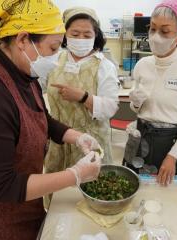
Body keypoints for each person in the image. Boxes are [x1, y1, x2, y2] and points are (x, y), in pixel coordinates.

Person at [0, 1, 102, 239]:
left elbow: (38, 116)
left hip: (20, 201)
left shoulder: (22, 71)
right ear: (23, 39)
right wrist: (74, 175)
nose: (56, 58)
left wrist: (74, 136)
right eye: (53, 48)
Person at [124, 0, 177, 186]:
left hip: (169, 143)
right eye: (152, 29)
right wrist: (135, 104)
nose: (155, 36)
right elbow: (137, 111)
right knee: (132, 186)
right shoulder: (142, 65)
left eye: (165, 31)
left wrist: (172, 157)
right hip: (140, 136)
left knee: (162, 193)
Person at [44, 7, 119, 203]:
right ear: (65, 34)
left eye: (87, 34)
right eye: (75, 33)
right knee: (60, 198)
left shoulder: (104, 66)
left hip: (90, 141)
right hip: (59, 138)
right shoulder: (52, 60)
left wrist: (83, 97)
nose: (81, 38)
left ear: (96, 35)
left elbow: (111, 107)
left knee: (93, 191)